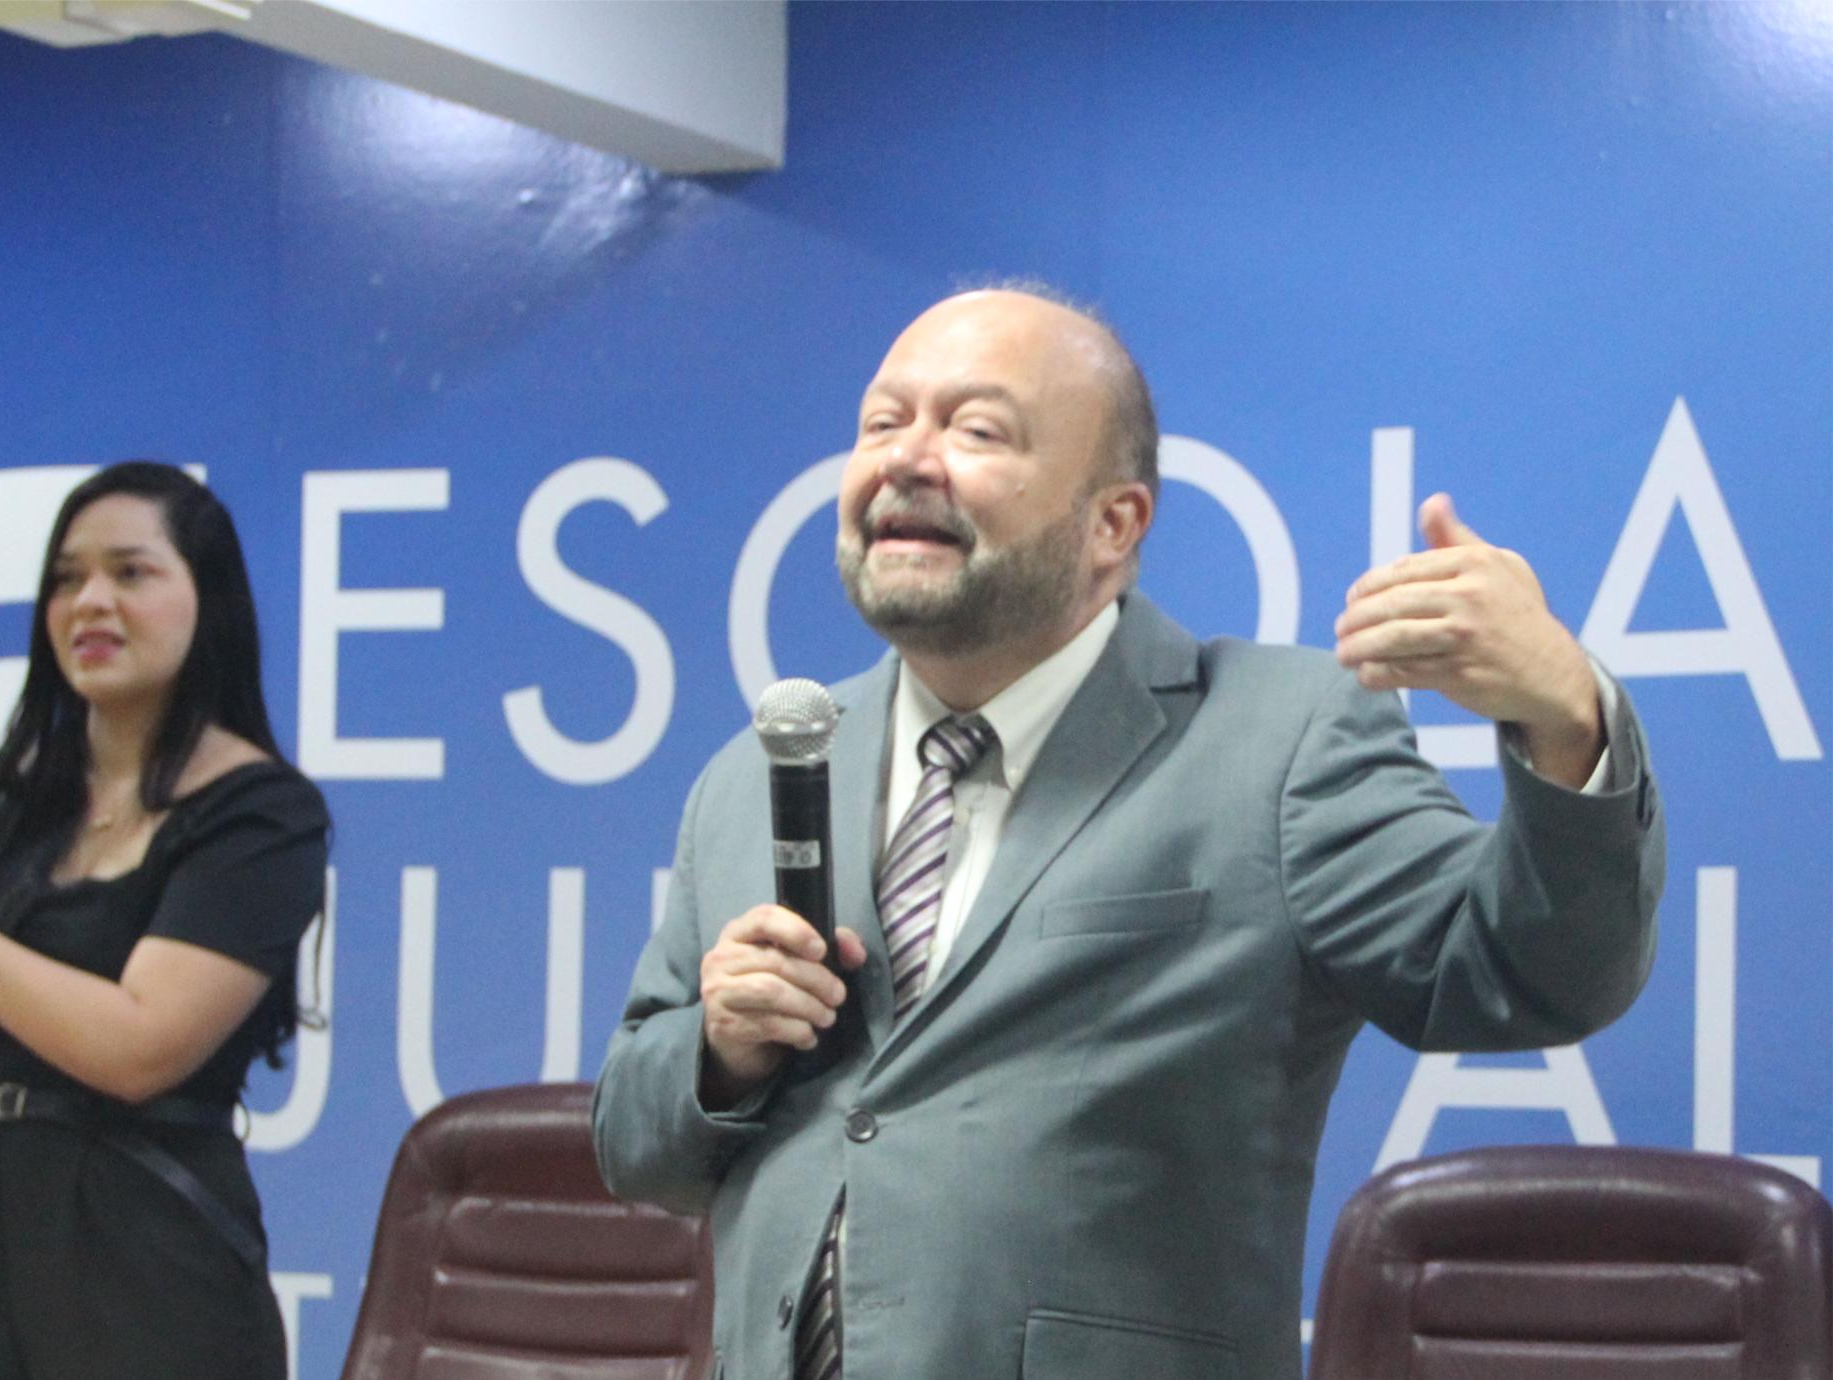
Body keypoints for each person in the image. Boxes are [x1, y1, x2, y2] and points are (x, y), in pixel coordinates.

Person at [592, 288, 1665, 1380]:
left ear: (1114, 522)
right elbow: (635, 1146)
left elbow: (1530, 977)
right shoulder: (762, 773)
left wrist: (1566, 716)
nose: (905, 461)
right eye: (881, 422)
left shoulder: (1277, 736)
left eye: (975, 430)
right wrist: (720, 1054)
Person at [0, 461, 329, 1380]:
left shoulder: (263, 815)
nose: (89, 601)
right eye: (65, 579)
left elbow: (141, 1046)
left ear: (209, 599)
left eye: (130, 573)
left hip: (148, 1239)